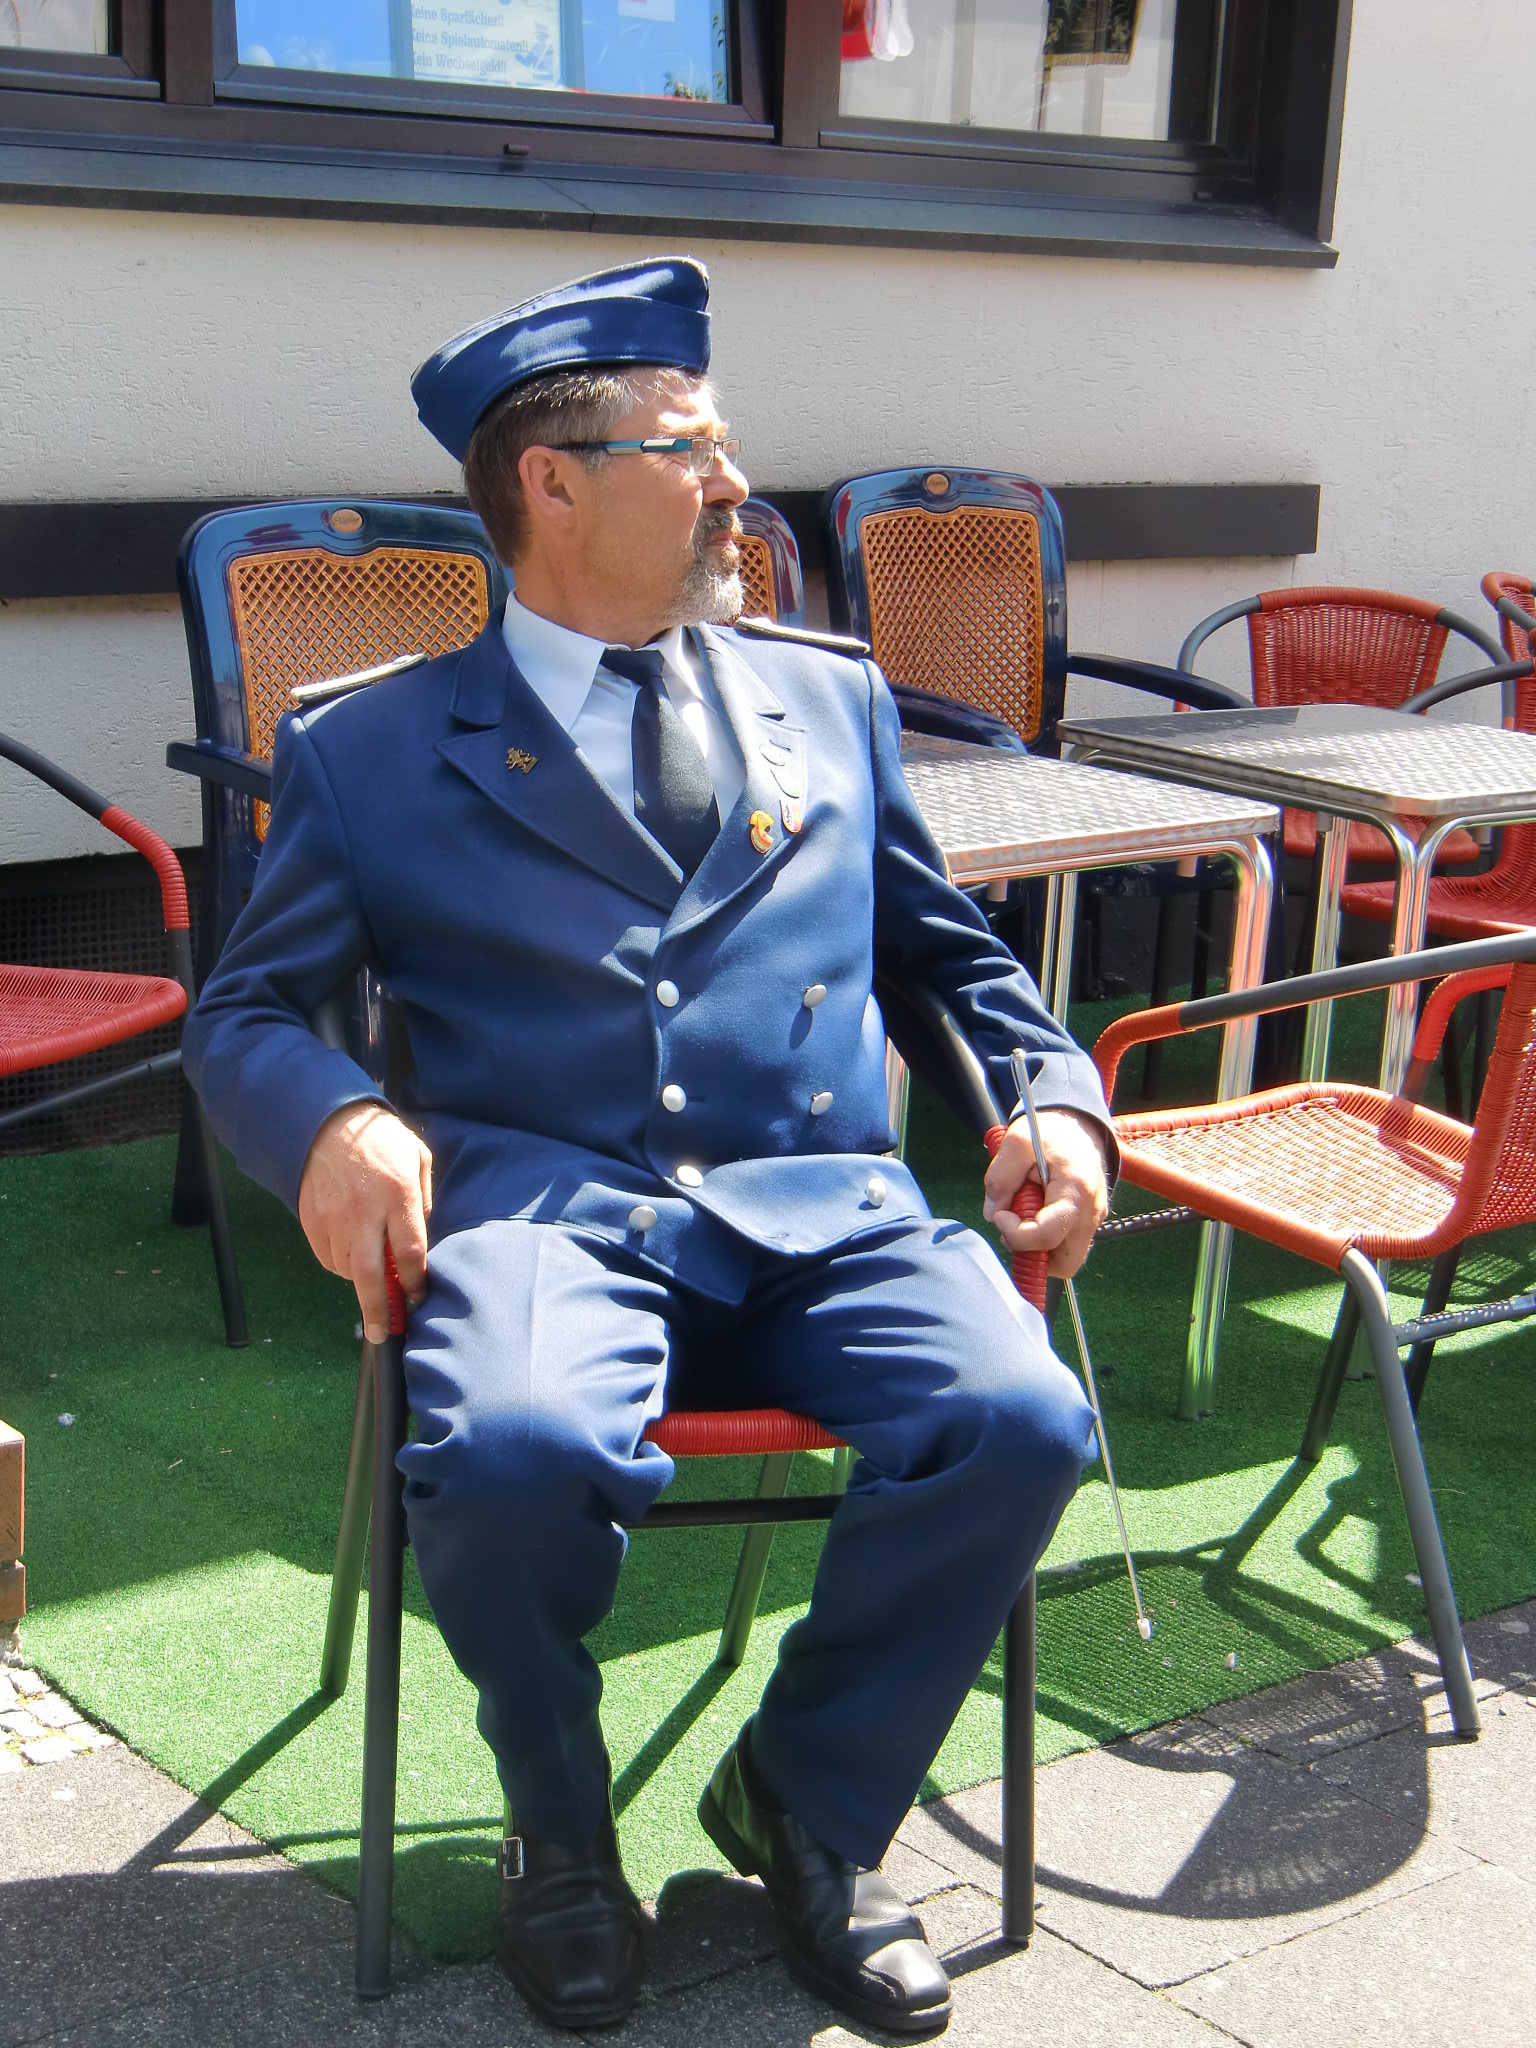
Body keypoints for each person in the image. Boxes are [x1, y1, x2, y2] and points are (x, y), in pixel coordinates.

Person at [184, 256, 1112, 2039]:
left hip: (829, 1212)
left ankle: (808, 1804)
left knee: (1020, 1418)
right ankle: (559, 1829)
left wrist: (1051, 1099)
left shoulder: (828, 697)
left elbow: (950, 959)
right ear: (551, 481)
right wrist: (339, 1117)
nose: (736, 484)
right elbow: (245, 1013)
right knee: (513, 1451)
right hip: (552, 1213)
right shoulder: (374, 747)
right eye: (689, 448)